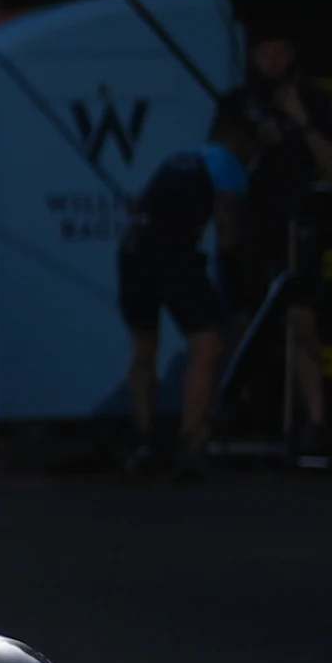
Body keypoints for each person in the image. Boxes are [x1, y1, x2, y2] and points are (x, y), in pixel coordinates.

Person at [119, 95, 254, 478]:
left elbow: (140, 207)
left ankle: (145, 438)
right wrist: (236, 296)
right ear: (238, 138)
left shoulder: (179, 158)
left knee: (144, 346)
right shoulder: (229, 166)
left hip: (132, 252)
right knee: (209, 343)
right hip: (171, 254)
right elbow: (227, 231)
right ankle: (192, 441)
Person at [242, 37, 332, 454]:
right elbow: (223, 158)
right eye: (266, 52)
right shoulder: (242, 102)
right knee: (248, 320)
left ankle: (316, 420)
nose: (275, 60)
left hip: (302, 223)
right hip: (257, 226)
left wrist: (301, 120)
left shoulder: (314, 100)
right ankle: (255, 413)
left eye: (282, 51)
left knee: (301, 319)